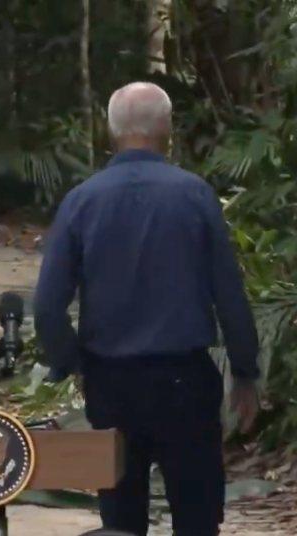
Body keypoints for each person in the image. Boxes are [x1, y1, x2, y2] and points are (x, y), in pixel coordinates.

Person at [34, 81, 260, 536]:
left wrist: (72, 362)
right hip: (185, 382)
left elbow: (46, 306)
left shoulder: (82, 200)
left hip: (112, 385)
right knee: (196, 516)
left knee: (120, 517)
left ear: (111, 130)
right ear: (167, 130)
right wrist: (245, 372)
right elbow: (229, 294)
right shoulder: (195, 196)